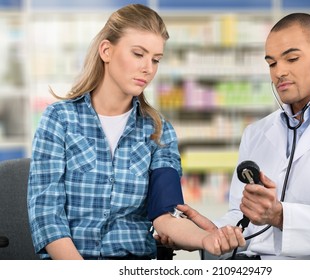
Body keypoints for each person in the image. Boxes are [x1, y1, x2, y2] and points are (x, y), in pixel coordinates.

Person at [27, 3, 245, 260]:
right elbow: (46, 214)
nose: (148, 68)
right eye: (138, 54)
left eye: (155, 60)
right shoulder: (59, 119)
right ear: (106, 51)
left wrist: (206, 238)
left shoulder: (159, 131)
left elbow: (166, 215)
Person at [164, 13, 310, 260]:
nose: (279, 71)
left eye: (291, 58)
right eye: (271, 63)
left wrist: (281, 215)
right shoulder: (256, 133)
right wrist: (212, 232)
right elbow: (244, 216)